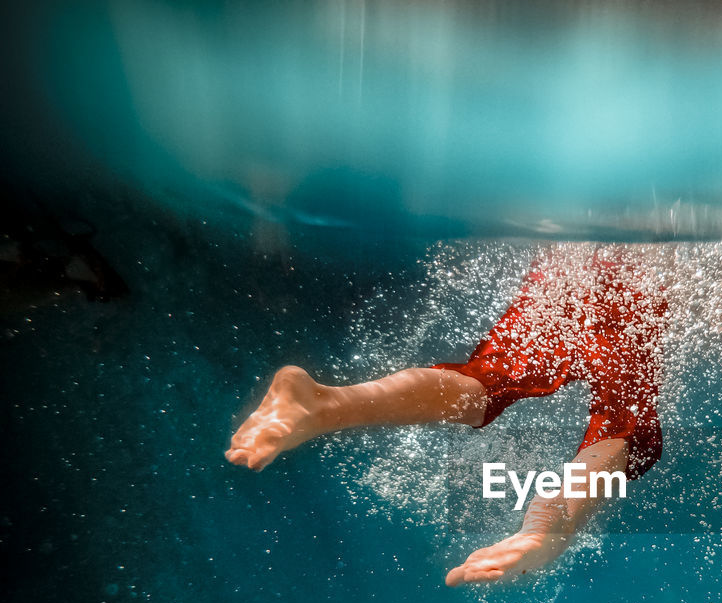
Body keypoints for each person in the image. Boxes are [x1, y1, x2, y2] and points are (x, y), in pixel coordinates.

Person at [225, 246, 668, 585]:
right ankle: (553, 519)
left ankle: (324, 403)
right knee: (625, 423)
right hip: (646, 286)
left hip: (570, 268)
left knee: (484, 382)